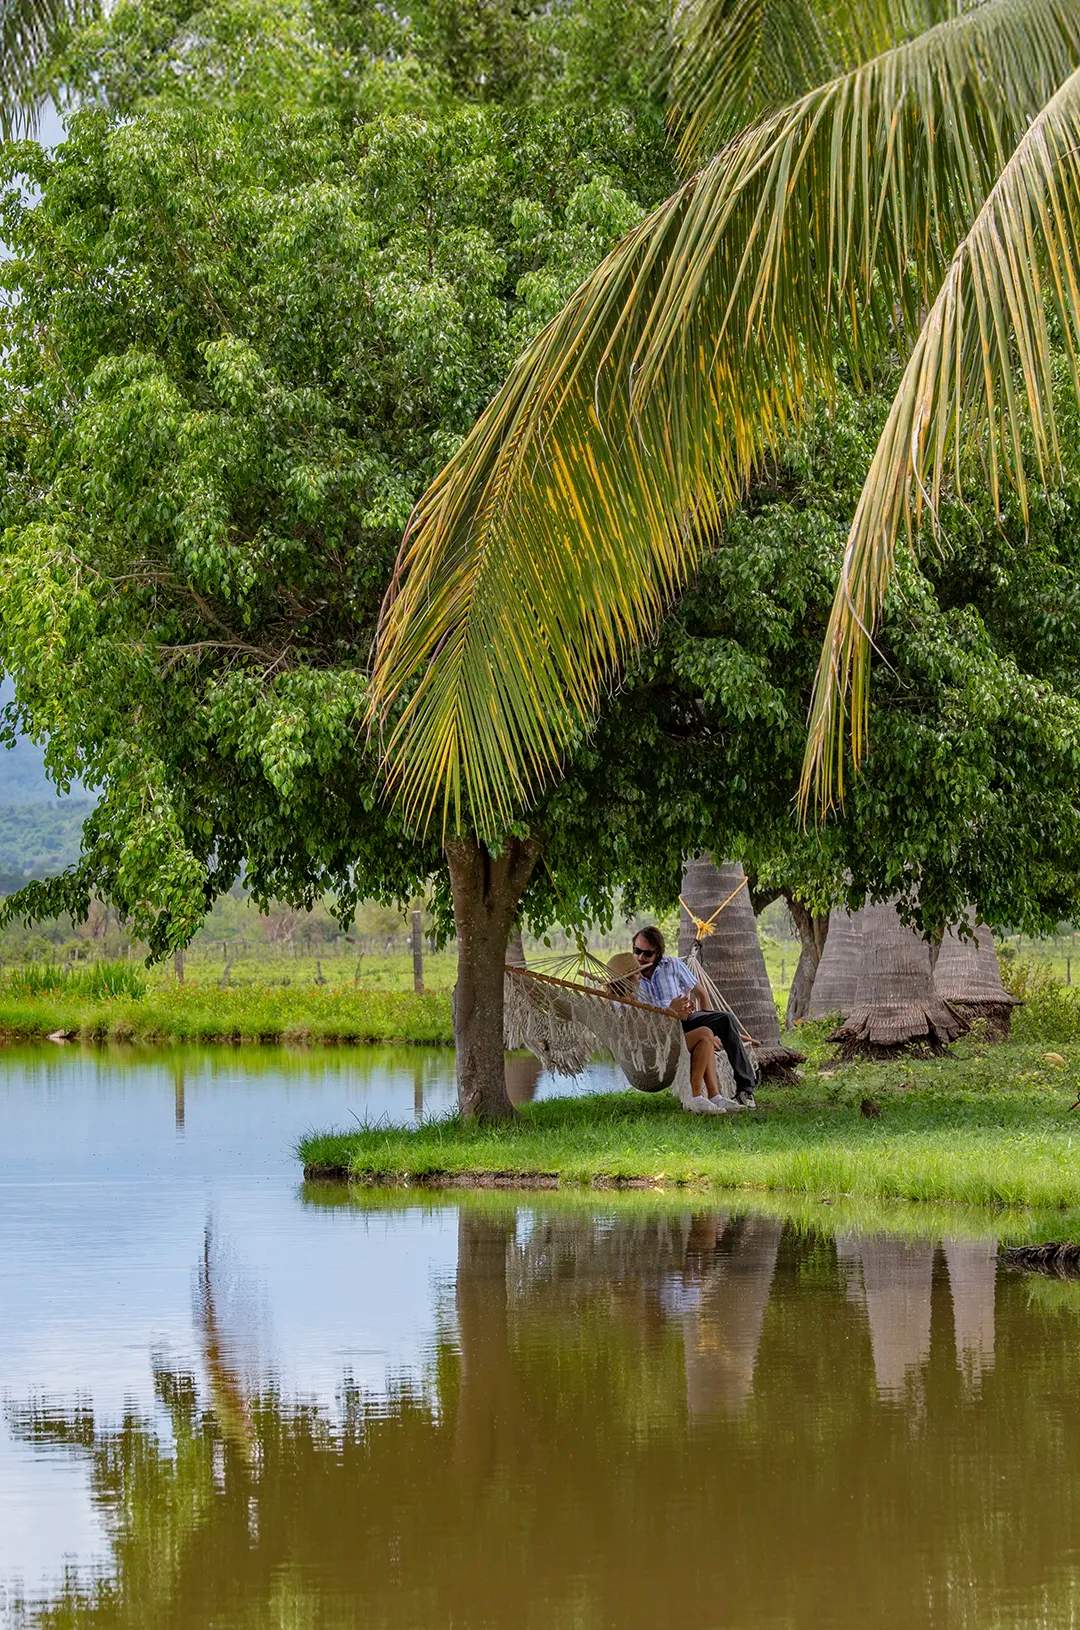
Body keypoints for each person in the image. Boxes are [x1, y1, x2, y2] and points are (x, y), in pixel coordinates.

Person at [630, 925, 757, 1113]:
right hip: (659, 1030)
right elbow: (635, 1017)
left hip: (685, 1020)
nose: (641, 957)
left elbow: (701, 993)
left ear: (658, 953)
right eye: (637, 951)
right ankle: (706, 1097)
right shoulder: (629, 977)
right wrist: (668, 1009)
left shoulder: (672, 965)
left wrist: (711, 1028)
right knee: (704, 1034)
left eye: (647, 954)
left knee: (725, 1020)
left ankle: (745, 1090)